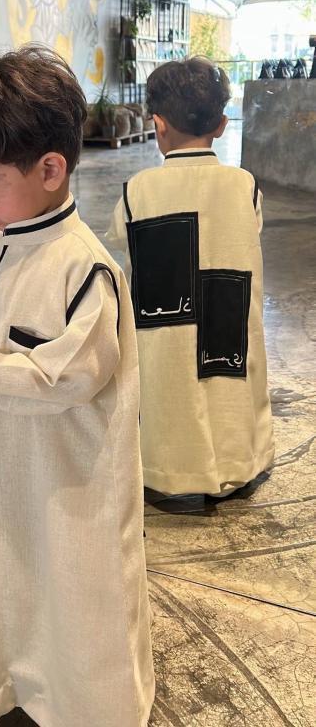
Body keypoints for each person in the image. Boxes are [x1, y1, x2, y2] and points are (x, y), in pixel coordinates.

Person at [0, 45, 154, 727]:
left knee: (72, 584)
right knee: (1, 566)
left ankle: (88, 705)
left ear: (50, 170)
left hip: (68, 479)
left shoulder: (86, 269)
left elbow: (72, 374)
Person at [107, 57, 274, 498]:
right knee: (230, 384)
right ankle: (240, 460)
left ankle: (167, 468)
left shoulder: (137, 190)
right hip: (230, 316)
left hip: (164, 324)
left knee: (170, 385)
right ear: (221, 125)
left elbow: (121, 237)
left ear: (158, 125)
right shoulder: (245, 186)